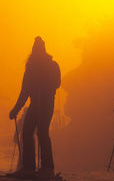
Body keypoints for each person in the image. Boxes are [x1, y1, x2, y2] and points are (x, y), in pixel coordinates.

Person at [9, 36, 61, 179]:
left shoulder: (51, 66)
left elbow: (57, 83)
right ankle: (29, 168)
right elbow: (24, 92)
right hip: (36, 105)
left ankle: (47, 168)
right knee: (27, 132)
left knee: (42, 133)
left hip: (46, 104)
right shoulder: (32, 68)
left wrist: (44, 84)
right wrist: (16, 109)